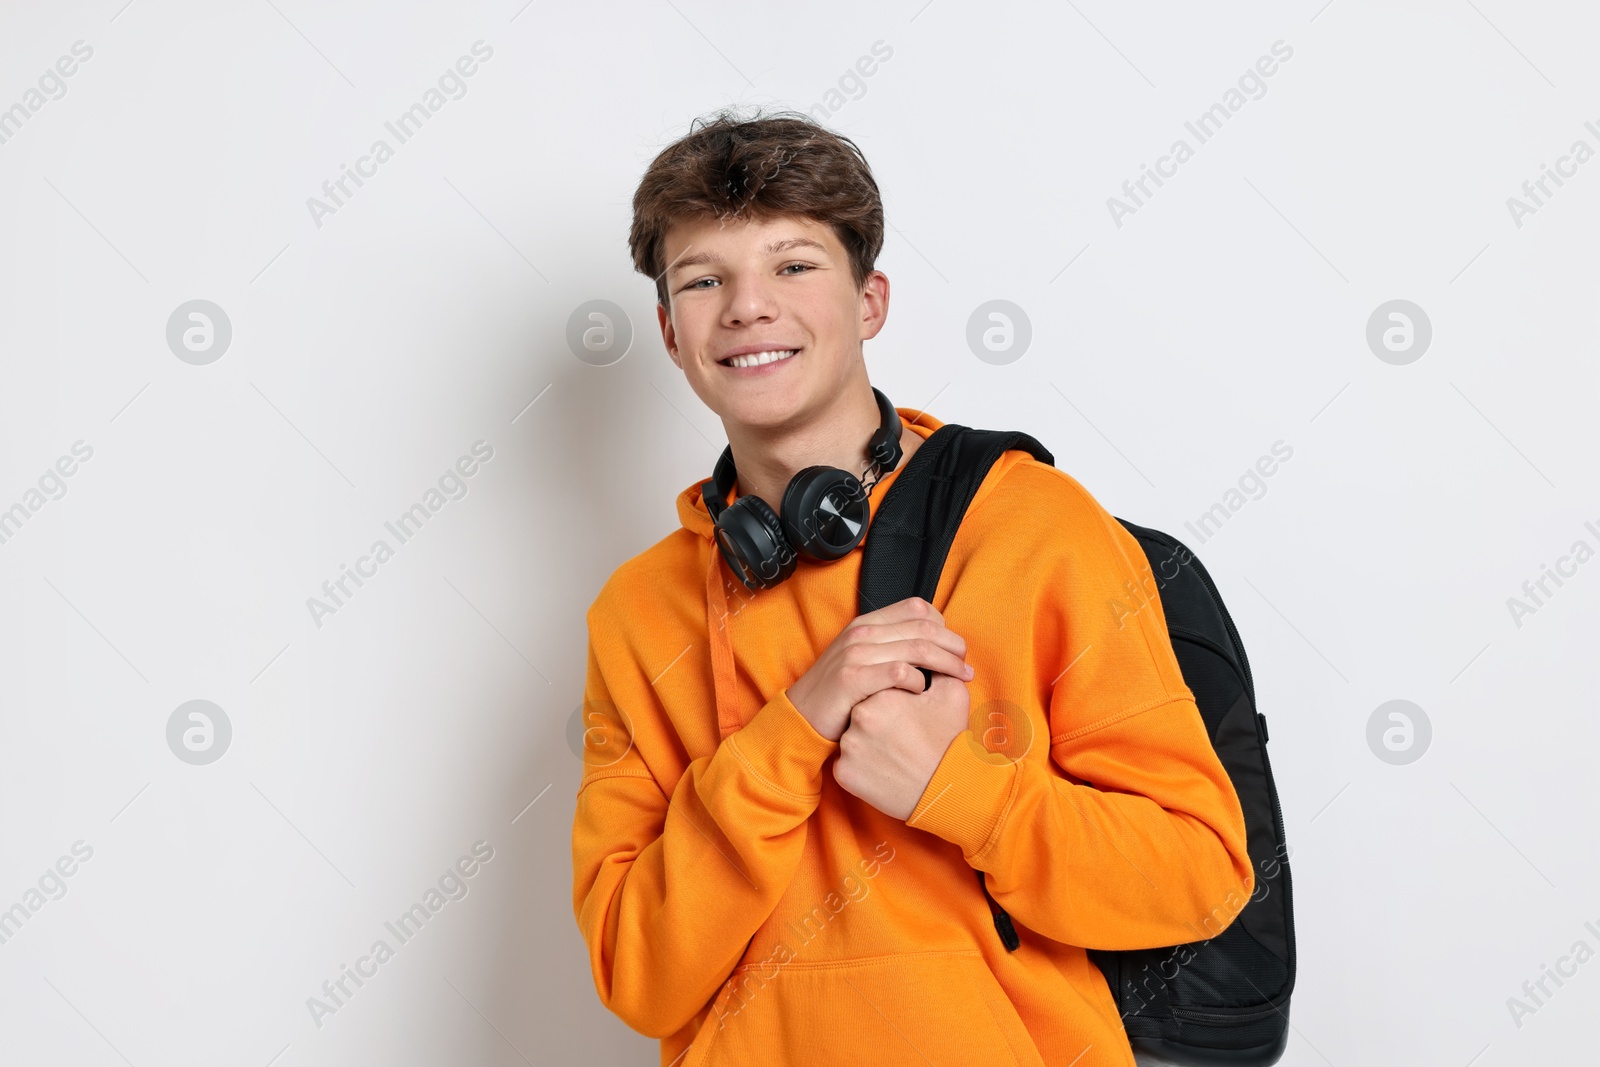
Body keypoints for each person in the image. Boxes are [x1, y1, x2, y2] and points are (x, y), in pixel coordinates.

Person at [571, 108, 1253, 1067]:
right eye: (703, 279)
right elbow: (638, 974)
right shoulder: (638, 613)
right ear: (671, 334)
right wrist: (795, 726)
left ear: (871, 302)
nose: (747, 307)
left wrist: (968, 792)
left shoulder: (1032, 525)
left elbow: (1199, 875)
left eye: (794, 265)